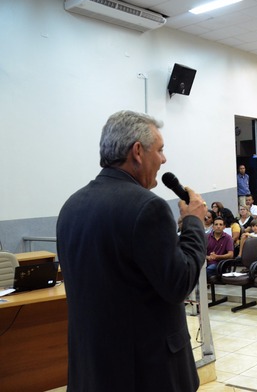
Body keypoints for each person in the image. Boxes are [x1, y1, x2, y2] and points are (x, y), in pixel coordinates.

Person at [57, 110, 207, 391]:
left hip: (92, 369)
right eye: (160, 150)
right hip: (147, 373)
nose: (164, 159)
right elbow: (179, 283)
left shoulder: (71, 207)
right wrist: (194, 223)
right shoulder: (148, 207)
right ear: (137, 151)